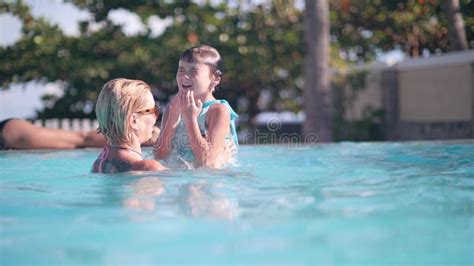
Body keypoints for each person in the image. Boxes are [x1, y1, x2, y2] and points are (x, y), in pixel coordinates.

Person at [154, 45, 238, 169]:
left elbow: (208, 162)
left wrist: (190, 119)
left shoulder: (218, 111)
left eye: (193, 71)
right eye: (181, 70)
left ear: (215, 79)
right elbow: (159, 157)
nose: (184, 76)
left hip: (212, 183)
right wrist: (172, 118)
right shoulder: (173, 108)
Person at [92, 78, 166, 173]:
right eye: (152, 111)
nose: (155, 117)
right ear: (134, 120)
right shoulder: (149, 168)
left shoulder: (99, 164)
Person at [0, 118, 106, 150]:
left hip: (8, 133)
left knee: (83, 139)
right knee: (83, 138)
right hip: (8, 133)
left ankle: (120, 137)